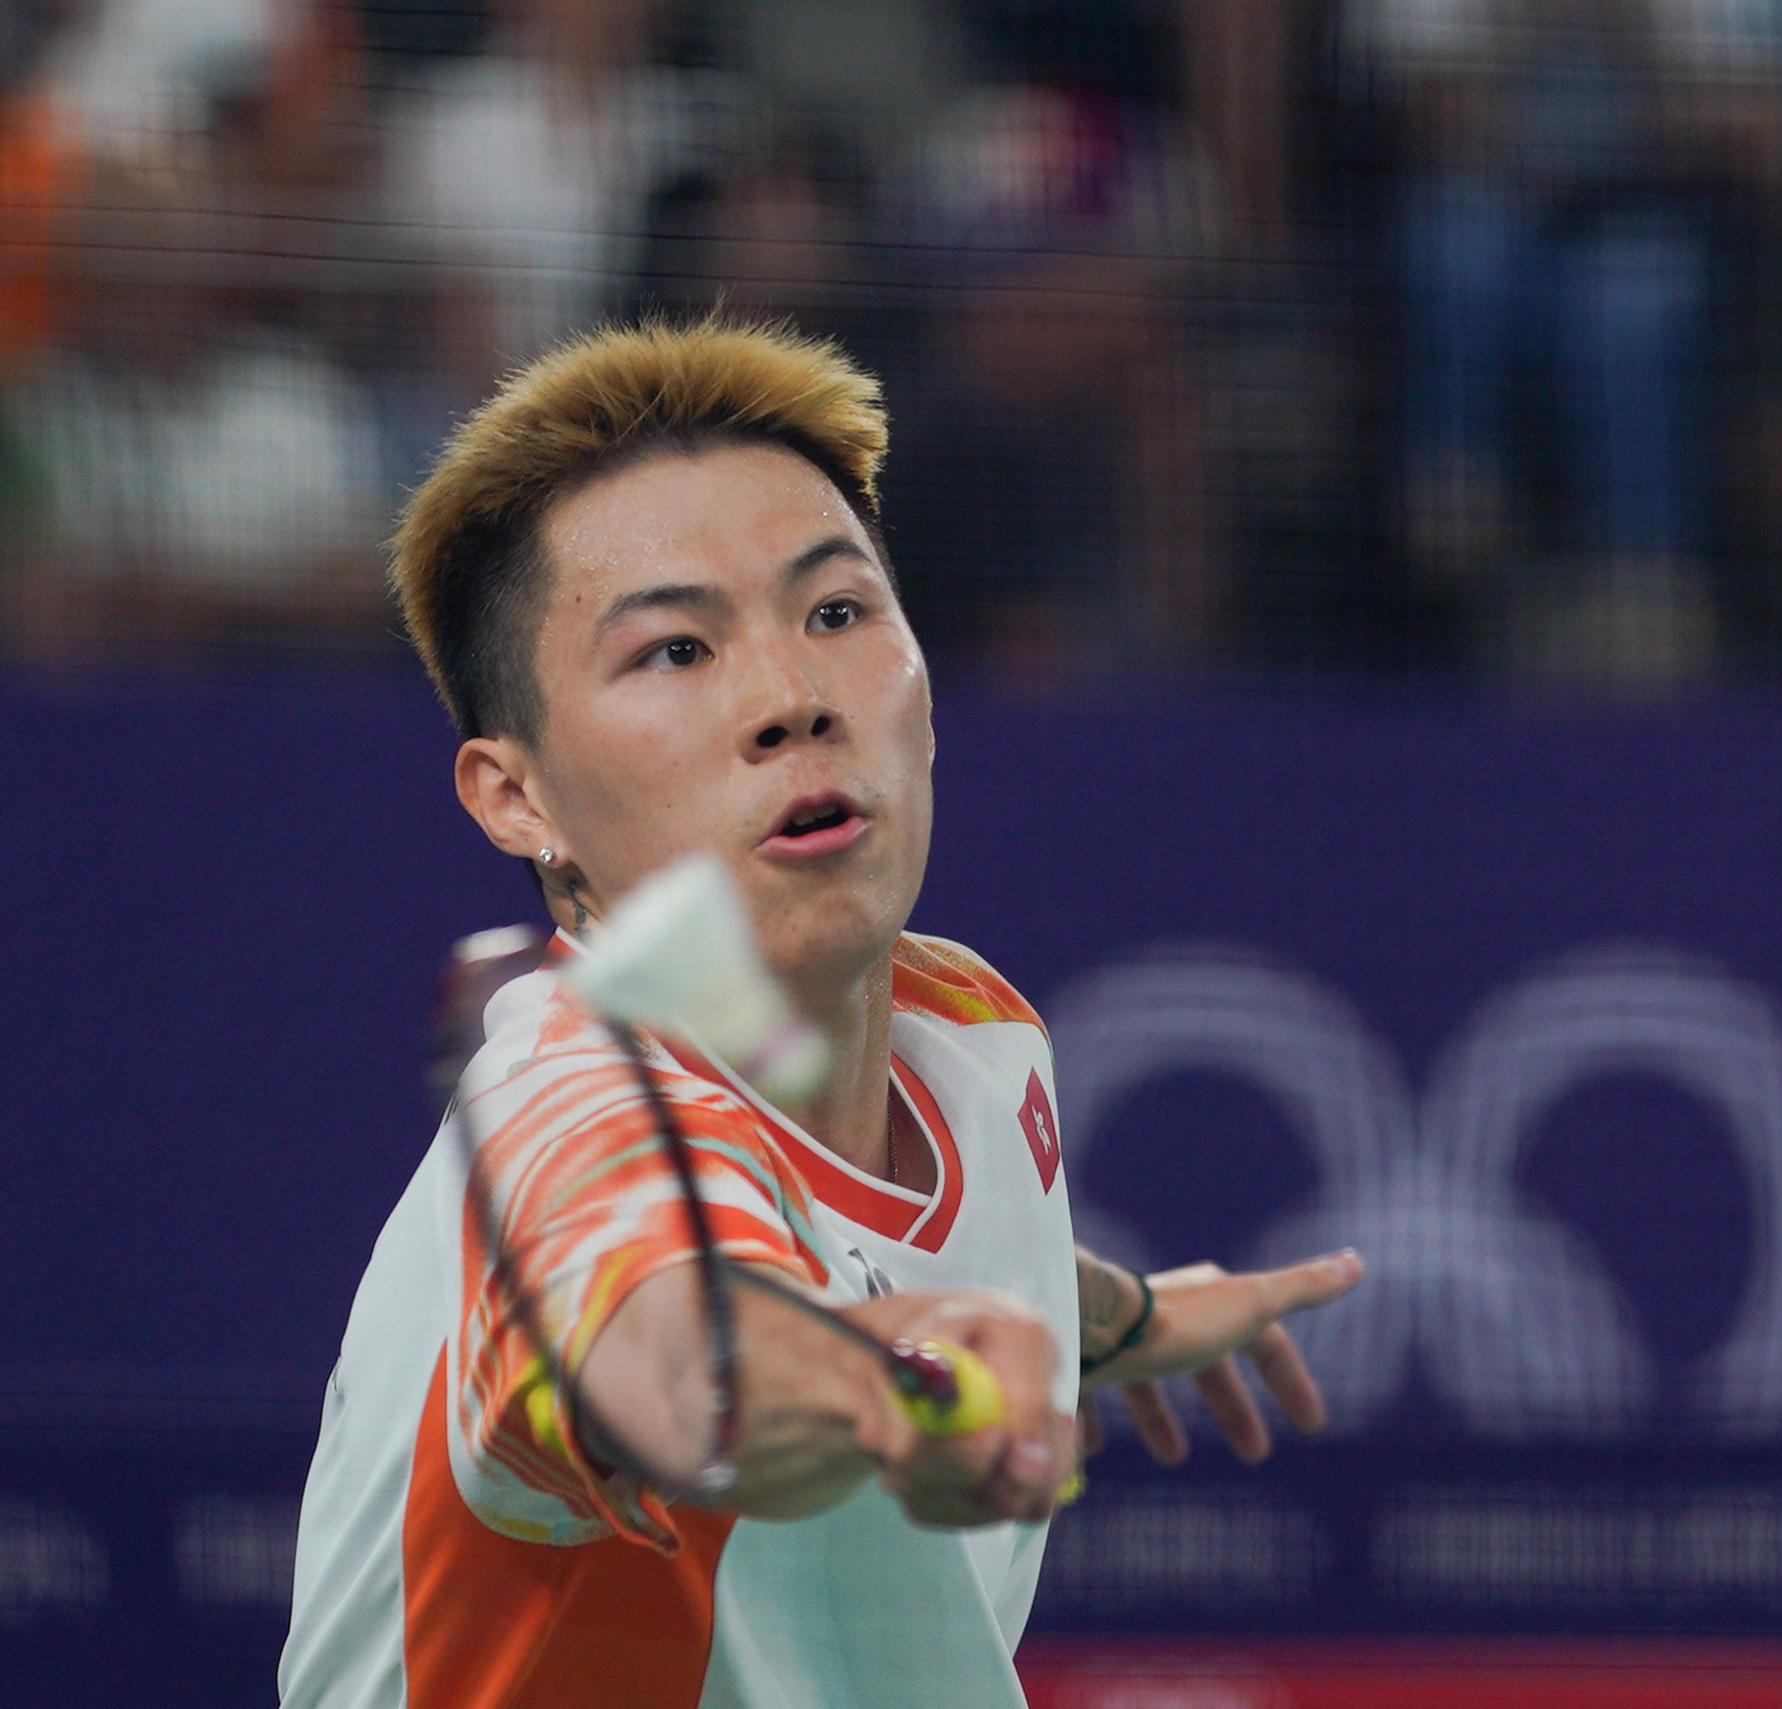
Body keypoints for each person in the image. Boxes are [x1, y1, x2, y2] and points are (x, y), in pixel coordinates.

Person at [275, 316, 1365, 1708]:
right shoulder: (567, 1107)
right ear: (517, 796)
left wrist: (1113, 1314)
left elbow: (895, 1231)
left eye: (837, 613)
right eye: (674, 650)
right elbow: (668, 1348)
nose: (790, 698)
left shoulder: (973, 1033)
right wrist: (884, 1387)